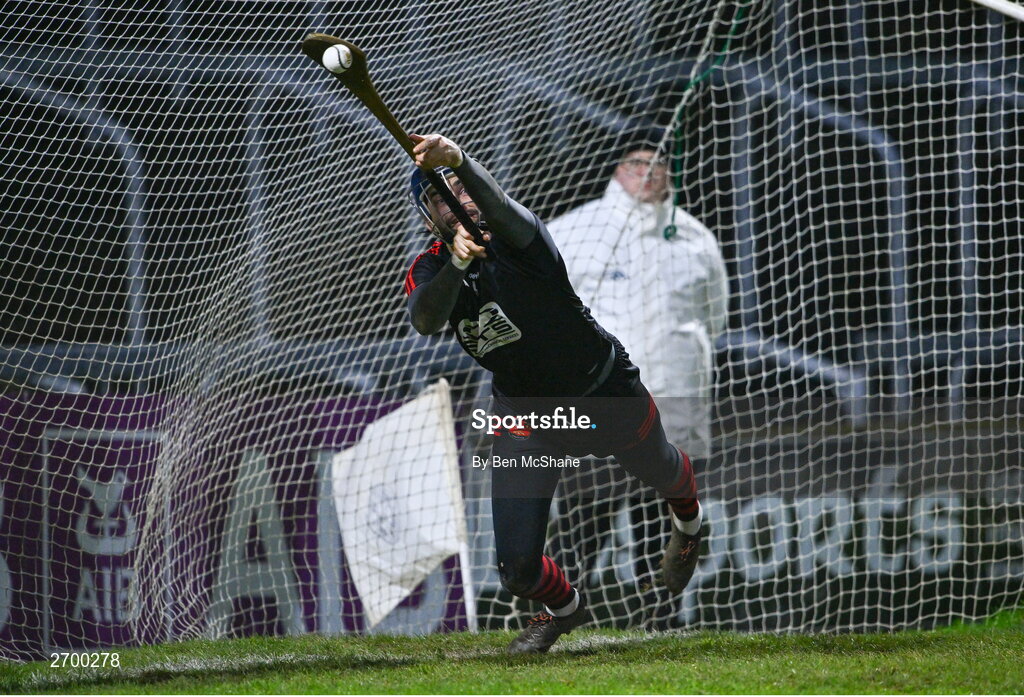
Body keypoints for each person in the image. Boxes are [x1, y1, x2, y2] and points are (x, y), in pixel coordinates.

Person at [403, 133, 703, 654]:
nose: (458, 200)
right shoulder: (431, 265)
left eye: (462, 187)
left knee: (661, 468)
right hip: (525, 414)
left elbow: (494, 203)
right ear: (430, 217)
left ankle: (689, 521)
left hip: (600, 391)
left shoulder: (520, 236)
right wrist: (455, 263)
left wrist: (458, 160)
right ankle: (564, 610)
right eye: (439, 196)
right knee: (517, 567)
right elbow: (426, 319)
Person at [546, 141, 729, 612]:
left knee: (664, 526)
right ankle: (553, 617)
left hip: (672, 411)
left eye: (659, 163)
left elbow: (715, 319)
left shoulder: (696, 238)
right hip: (598, 409)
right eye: (636, 163)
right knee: (585, 523)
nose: (648, 172)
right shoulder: (575, 230)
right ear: (616, 168)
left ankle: (659, 622)